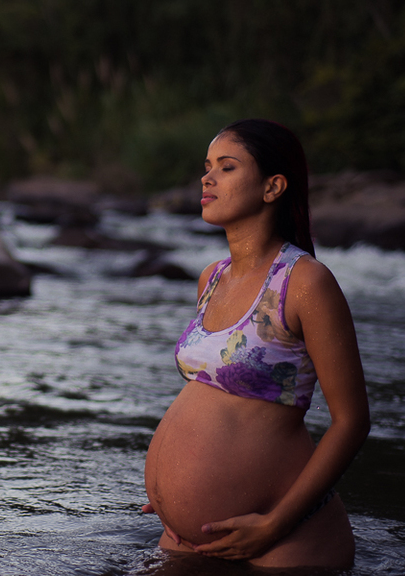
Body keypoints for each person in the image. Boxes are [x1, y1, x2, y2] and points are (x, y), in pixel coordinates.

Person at [141, 119, 370, 569]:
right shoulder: (213, 276)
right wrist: (175, 498)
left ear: (272, 187)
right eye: (206, 167)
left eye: (226, 167)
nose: (207, 178)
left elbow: (352, 421)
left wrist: (277, 523)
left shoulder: (305, 282)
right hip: (187, 536)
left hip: (282, 543)